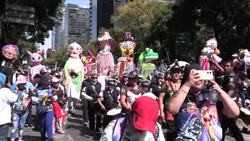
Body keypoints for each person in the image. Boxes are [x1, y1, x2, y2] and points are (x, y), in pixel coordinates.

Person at [168, 64, 239, 141]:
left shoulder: (213, 97)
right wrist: (188, 84)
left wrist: (220, 91)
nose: (198, 79)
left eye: (201, 75)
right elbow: (172, 109)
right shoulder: (181, 96)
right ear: (187, 77)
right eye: (195, 76)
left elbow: (234, 113)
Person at [100, 95, 165, 141]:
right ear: (131, 114)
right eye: (139, 125)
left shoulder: (157, 129)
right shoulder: (115, 127)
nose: (142, 130)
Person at [10, 75, 33, 141]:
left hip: (25, 111)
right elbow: (11, 99)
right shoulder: (14, 90)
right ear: (18, 83)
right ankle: (12, 139)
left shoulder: (27, 89)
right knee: (15, 126)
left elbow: (30, 98)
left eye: (24, 83)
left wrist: (30, 98)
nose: (23, 85)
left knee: (21, 126)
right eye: (21, 83)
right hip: (15, 111)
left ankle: (20, 139)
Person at [36, 74, 55, 141]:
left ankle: (50, 138)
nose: (47, 85)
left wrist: (52, 98)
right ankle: (43, 137)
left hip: (50, 109)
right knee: (43, 125)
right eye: (46, 83)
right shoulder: (37, 90)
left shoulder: (51, 89)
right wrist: (40, 99)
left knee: (49, 124)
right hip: (41, 109)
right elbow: (32, 98)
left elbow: (55, 97)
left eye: (49, 83)